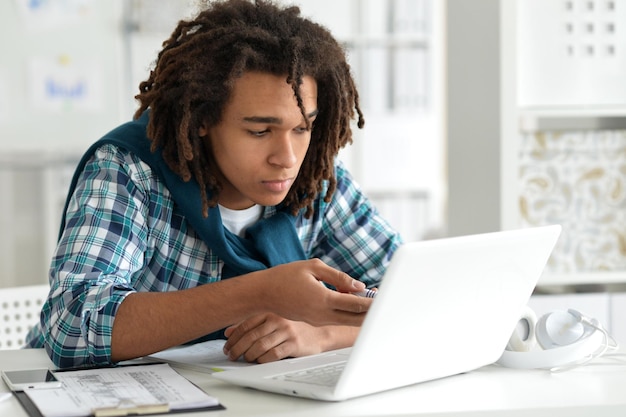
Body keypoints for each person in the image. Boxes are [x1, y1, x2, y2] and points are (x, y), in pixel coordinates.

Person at [25, 0, 402, 368]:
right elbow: (72, 325)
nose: (286, 157)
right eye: (259, 131)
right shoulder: (129, 168)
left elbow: (417, 295)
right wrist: (260, 292)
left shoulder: (315, 179)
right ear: (203, 120)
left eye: (303, 128)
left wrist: (320, 335)